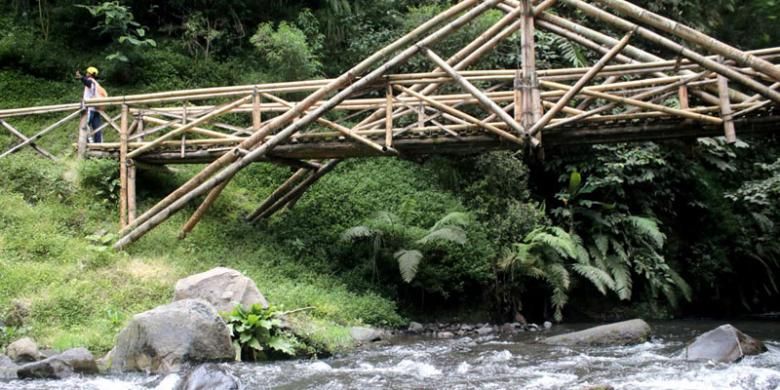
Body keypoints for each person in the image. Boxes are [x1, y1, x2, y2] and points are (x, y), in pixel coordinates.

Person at [76, 66, 104, 143]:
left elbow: (87, 82)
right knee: (97, 127)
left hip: (89, 108)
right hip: (96, 108)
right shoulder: (96, 83)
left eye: (87, 73)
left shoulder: (90, 81)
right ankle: (99, 143)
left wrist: (80, 77)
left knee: (85, 125)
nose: (86, 74)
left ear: (90, 74)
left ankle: (88, 142)